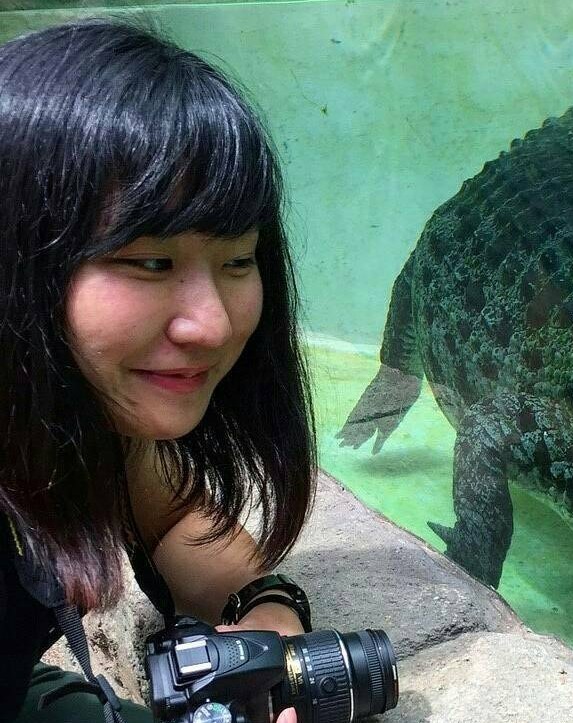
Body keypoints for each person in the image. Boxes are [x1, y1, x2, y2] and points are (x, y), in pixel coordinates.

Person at [0, 16, 318, 723]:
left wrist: (264, 611)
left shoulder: (73, 415)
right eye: (150, 261)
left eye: (238, 260)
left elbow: (173, 517)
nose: (211, 323)